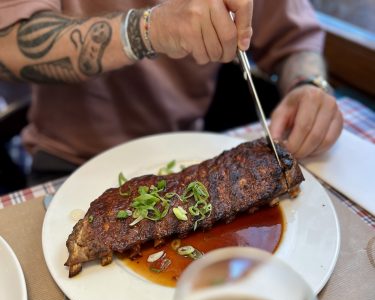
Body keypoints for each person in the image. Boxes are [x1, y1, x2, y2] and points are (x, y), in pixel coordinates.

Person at [0, 0, 342, 182]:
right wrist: (150, 29)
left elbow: (295, 39)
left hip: (188, 156)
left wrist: (308, 84)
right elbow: (11, 43)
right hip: (70, 161)